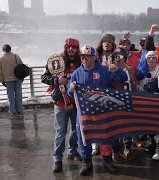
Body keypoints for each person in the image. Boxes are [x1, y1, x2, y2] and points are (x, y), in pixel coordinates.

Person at [68, 45, 127, 175]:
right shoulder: (76, 73)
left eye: (88, 56)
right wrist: (70, 89)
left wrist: (117, 70)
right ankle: (86, 162)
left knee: (105, 136)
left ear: (95, 57)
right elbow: (69, 93)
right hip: (84, 113)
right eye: (82, 57)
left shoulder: (104, 70)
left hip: (102, 112)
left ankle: (107, 161)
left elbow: (123, 79)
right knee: (83, 137)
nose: (85, 59)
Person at [41, 38, 82, 172]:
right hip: (61, 104)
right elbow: (44, 77)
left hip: (76, 103)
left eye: (74, 47)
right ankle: (57, 160)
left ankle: (72, 151)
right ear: (65, 47)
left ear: (77, 49)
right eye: (69, 47)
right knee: (60, 132)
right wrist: (56, 80)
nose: (71, 49)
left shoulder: (81, 61)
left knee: (76, 131)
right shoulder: (56, 61)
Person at [0, 44, 23, 115]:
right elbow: (22, 66)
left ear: (3, 50)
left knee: (11, 96)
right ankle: (19, 110)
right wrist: (22, 77)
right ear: (10, 49)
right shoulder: (16, 56)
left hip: (8, 80)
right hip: (18, 78)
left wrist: (2, 81)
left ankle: (12, 111)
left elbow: (0, 71)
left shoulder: (0, 59)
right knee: (18, 95)